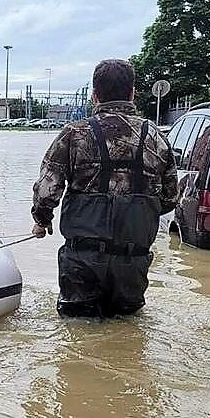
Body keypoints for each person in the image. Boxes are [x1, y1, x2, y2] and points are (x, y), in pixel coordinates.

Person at [30, 59, 178, 318]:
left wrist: (41, 220)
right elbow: (169, 198)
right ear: (132, 93)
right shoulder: (157, 137)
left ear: (95, 95)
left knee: (77, 332)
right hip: (133, 262)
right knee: (128, 334)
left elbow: (47, 189)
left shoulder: (74, 134)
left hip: (82, 261)